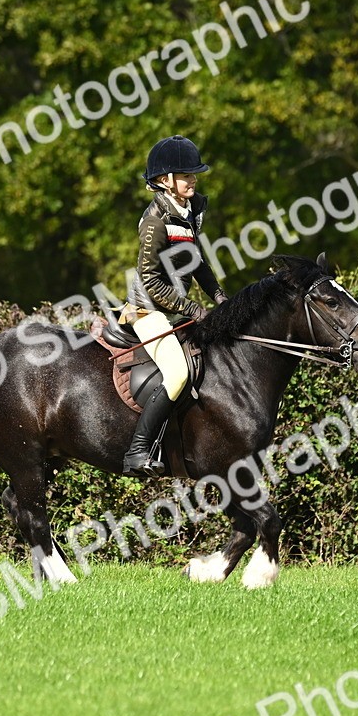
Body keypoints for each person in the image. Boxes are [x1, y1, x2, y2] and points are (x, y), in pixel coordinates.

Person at [120, 135, 228, 476]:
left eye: (194, 174)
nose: (193, 179)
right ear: (164, 181)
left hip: (174, 308)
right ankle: (137, 451)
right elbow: (150, 282)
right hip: (148, 310)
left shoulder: (190, 210)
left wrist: (220, 297)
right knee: (178, 372)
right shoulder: (154, 221)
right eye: (186, 175)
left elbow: (196, 262)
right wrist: (194, 310)